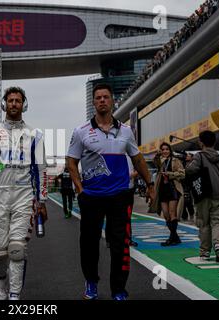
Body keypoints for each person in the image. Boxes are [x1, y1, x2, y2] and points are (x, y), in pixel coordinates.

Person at [66, 83, 155, 301]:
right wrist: (80, 190)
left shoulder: (126, 131)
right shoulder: (81, 131)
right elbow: (71, 162)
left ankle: (118, 289)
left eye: (106, 97)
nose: (102, 100)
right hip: (92, 197)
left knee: (120, 245)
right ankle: (91, 283)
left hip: (120, 196)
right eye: (98, 98)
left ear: (112, 100)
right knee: (89, 244)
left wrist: (150, 184)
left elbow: (137, 158)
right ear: (94, 102)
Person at [0, 86, 48, 300]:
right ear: (4, 104)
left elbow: (42, 169)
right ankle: (1, 279)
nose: (14, 104)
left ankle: (14, 296)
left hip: (24, 196)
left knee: (17, 249)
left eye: (18, 100)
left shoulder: (35, 135)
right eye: (10, 100)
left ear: (24, 104)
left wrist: (41, 200)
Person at [185, 130, 219, 262]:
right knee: (218, 221)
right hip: (218, 194)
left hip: (203, 194)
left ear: (201, 142)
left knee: (204, 223)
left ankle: (205, 252)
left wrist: (189, 162)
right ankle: (218, 244)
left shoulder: (199, 156)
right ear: (214, 142)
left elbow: (190, 170)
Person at [152, 142, 185, 246]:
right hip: (162, 189)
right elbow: (155, 162)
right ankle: (175, 237)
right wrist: (157, 155)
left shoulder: (176, 160)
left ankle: (171, 238)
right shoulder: (160, 161)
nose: (165, 151)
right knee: (166, 215)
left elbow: (182, 174)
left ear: (170, 150)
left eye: (167, 149)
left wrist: (170, 174)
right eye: (163, 149)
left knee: (172, 213)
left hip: (172, 188)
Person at [182, 153, 195, 221]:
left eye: (188, 156)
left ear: (192, 157)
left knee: (189, 202)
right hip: (183, 185)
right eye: (186, 156)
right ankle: (184, 216)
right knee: (182, 202)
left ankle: (191, 215)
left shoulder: (193, 165)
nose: (186, 157)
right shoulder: (183, 164)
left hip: (190, 186)